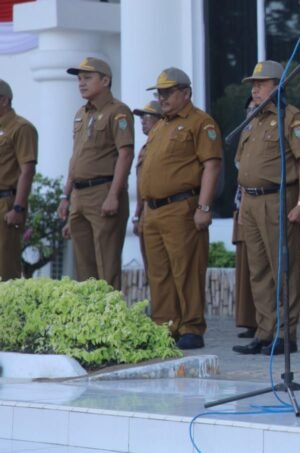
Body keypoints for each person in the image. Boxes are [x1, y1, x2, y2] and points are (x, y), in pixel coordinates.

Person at [232, 60, 300, 356]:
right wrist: (242, 203)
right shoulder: (252, 118)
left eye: (261, 83)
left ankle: (285, 334)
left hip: (278, 199)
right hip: (252, 202)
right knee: (259, 271)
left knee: (283, 269)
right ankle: (265, 332)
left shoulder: (291, 118)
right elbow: (243, 165)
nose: (255, 88)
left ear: (278, 86)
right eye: (253, 83)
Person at [139, 67, 222, 350]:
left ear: (185, 93)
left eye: (168, 92)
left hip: (181, 207)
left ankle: (191, 327)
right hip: (153, 211)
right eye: (159, 92)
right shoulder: (160, 125)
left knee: (186, 269)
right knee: (158, 272)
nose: (162, 97)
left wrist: (204, 206)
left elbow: (211, 165)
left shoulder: (201, 122)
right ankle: (164, 325)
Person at [57, 58, 134, 290]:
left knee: (106, 264)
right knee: (84, 265)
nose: (81, 83)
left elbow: (125, 154)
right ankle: (89, 321)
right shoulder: (81, 113)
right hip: (79, 195)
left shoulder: (118, 112)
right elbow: (76, 156)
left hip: (103, 191)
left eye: (88, 78)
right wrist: (66, 196)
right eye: (79, 79)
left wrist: (113, 195)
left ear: (105, 80)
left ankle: (109, 322)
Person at [0, 79, 37, 280]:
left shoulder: (21, 128)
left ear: (3, 100)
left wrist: (18, 208)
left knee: (5, 268)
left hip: (6, 203)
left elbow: (27, 169)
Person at [233, 97, 257, 340]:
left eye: (254, 108)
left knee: (265, 268)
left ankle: (270, 326)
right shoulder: (245, 134)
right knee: (246, 267)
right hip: (242, 203)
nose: (251, 111)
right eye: (248, 108)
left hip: (263, 203)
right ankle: (250, 321)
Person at [131, 99, 163, 274]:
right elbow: (141, 185)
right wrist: (137, 216)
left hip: (161, 210)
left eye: (148, 116)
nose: (143, 120)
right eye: (141, 117)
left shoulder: (162, 146)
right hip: (145, 213)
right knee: (152, 271)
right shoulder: (145, 148)